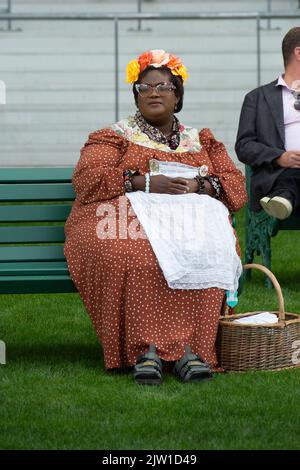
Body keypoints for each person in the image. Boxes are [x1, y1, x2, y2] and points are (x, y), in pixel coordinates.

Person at [64, 49, 247, 385]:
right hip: (123, 216)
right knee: (134, 253)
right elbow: (87, 178)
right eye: (144, 87)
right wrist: (145, 182)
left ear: (177, 95)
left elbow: (235, 186)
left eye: (163, 86)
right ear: (136, 95)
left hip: (189, 221)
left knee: (209, 249)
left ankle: (192, 349)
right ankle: (144, 350)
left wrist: (199, 184)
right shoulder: (115, 136)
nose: (153, 93)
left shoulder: (201, 140)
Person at [235, 27, 300, 220]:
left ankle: (284, 197)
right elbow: (244, 146)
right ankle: (283, 195)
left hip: (285, 186)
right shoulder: (257, 98)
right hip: (278, 172)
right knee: (291, 177)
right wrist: (279, 157)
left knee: (289, 186)